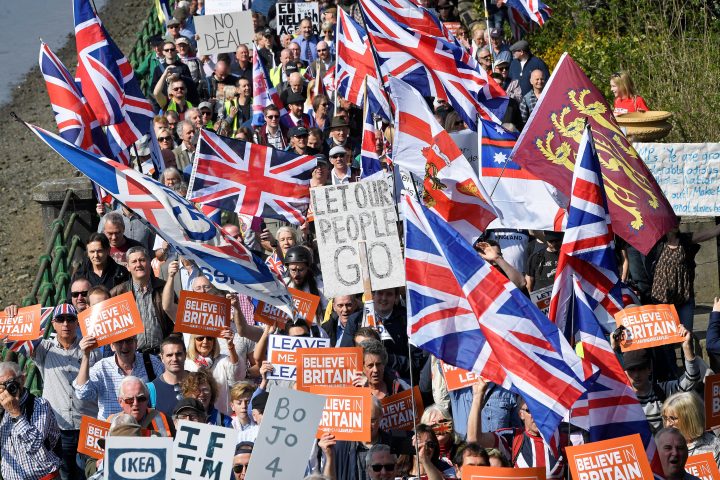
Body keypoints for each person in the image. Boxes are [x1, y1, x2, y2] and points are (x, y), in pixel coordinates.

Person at [35, 304, 101, 480]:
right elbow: (14, 341)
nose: (66, 323)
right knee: (66, 475)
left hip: (88, 425)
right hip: (58, 427)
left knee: (92, 475)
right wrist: (13, 312)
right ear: (54, 324)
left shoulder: (91, 348)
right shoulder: (44, 348)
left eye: (70, 319)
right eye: (60, 319)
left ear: (77, 323)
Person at [473, 379, 566, 479]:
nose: (536, 416)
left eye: (541, 410)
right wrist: (477, 397)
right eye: (530, 410)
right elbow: (474, 439)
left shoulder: (561, 436)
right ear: (521, 414)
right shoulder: (513, 436)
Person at [647, 224, 720, 331]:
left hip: (684, 297)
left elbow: (711, 233)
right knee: (667, 340)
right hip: (662, 299)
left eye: (678, 219)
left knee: (686, 335)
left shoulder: (685, 240)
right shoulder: (657, 241)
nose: (676, 223)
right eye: (673, 220)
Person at [74, 334, 164, 419]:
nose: (125, 346)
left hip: (143, 429)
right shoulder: (102, 367)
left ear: (136, 343)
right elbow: (83, 394)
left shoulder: (151, 362)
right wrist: (86, 355)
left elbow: (167, 389)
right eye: (119, 342)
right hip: (111, 430)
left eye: (129, 341)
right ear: (112, 346)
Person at [621, 337, 700, 432]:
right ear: (625, 372)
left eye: (641, 369)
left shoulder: (662, 390)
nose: (637, 375)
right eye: (632, 370)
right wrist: (612, 348)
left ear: (649, 369)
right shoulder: (620, 397)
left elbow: (691, 379)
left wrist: (686, 346)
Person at [0, 361, 61, 480]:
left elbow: (34, 446)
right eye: (2, 386)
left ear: (22, 380)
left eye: (10, 384)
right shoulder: (1, 410)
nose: (7, 391)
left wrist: (14, 412)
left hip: (45, 477)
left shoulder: (39, 405)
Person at [110, 246, 175, 354]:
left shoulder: (164, 288)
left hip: (161, 355)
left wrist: (169, 347)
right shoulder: (118, 293)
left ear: (149, 262)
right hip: (131, 356)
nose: (138, 265)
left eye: (142, 260)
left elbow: (176, 321)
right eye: (134, 262)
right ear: (128, 267)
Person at [319, 400, 394, 480]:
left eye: (372, 420)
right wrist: (329, 456)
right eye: (362, 420)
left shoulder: (393, 444)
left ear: (381, 416)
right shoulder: (340, 446)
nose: (367, 426)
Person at [662, 391, 720, 466]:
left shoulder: (714, 447)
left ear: (691, 419)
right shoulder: (661, 446)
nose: (667, 424)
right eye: (665, 418)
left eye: (672, 418)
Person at [107, 376, 172, 436]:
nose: (136, 403)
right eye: (130, 400)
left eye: (141, 399)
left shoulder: (162, 419)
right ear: (120, 402)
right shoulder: (111, 422)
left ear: (147, 399)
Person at [149, 335, 188, 419]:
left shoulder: (199, 381)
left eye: (178, 354)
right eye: (169, 355)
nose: (174, 359)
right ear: (162, 358)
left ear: (185, 355)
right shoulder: (151, 389)